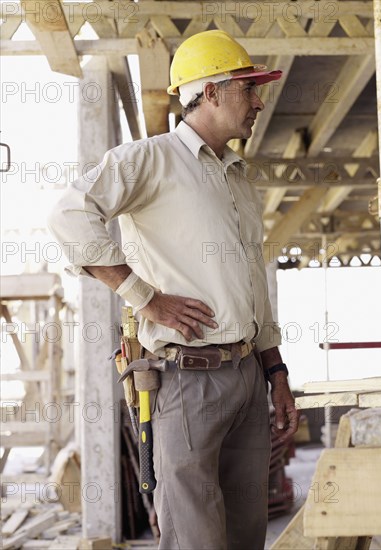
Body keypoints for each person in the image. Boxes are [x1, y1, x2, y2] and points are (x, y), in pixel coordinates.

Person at [48, 30, 299, 550]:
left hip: (249, 377)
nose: (258, 101)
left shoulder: (237, 179)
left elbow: (253, 287)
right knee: (195, 539)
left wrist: (275, 373)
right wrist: (143, 295)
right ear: (210, 92)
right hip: (187, 380)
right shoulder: (151, 159)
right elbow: (69, 215)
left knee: (247, 535)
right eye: (248, 88)